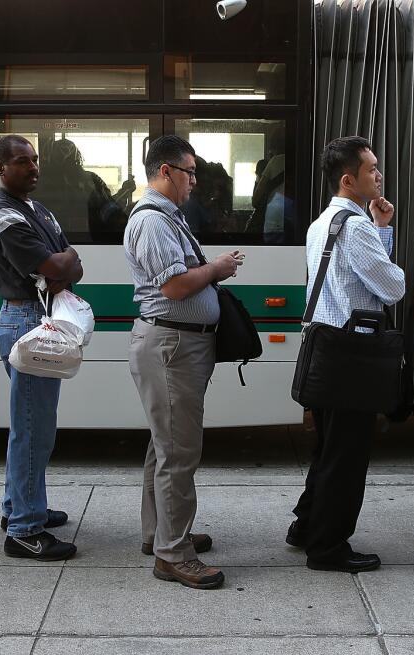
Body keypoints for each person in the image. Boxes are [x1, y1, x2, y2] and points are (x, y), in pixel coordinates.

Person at [124, 135, 243, 589]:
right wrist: (216, 268)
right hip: (173, 347)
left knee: (165, 445)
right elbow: (174, 287)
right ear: (166, 171)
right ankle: (172, 555)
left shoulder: (167, 217)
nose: (196, 180)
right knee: (178, 452)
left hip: (178, 345)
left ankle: (161, 534)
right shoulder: (153, 221)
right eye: (190, 171)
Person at [286, 136, 405, 573]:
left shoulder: (324, 222)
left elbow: (362, 276)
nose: (379, 175)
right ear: (348, 179)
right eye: (372, 169)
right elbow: (392, 286)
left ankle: (306, 526)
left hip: (324, 348)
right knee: (347, 457)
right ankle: (328, 546)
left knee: (329, 448)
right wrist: (383, 235)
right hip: (350, 355)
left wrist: (381, 229)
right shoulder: (355, 227)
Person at [0, 135, 84, 561]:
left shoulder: (36, 209)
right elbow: (59, 264)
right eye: (23, 161)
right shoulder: (0, 212)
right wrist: (63, 261)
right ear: (0, 168)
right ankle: (23, 530)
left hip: (39, 317)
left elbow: (70, 265)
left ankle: (20, 508)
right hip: (25, 321)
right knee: (33, 428)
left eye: (35, 160)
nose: (34, 167)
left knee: (35, 424)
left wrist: (64, 262)